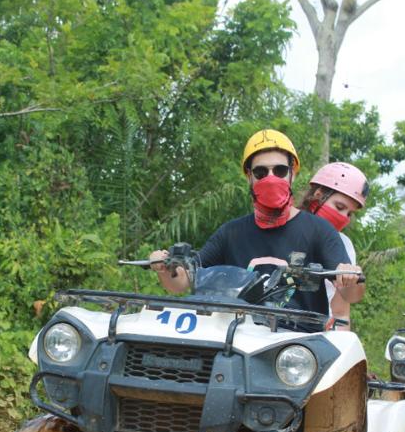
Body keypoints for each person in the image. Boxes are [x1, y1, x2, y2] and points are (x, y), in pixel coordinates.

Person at [150, 129, 362, 318]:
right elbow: (181, 283)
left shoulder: (320, 231)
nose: (271, 178)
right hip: (237, 342)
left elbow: (352, 296)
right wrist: (163, 268)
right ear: (249, 177)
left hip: (296, 349)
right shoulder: (230, 233)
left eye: (279, 171)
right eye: (261, 172)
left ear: (292, 174)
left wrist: (350, 278)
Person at [298, 161, 368, 322]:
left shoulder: (343, 244)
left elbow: (341, 311)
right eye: (339, 207)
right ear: (318, 195)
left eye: (349, 213)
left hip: (319, 332)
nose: (343, 217)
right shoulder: (285, 230)